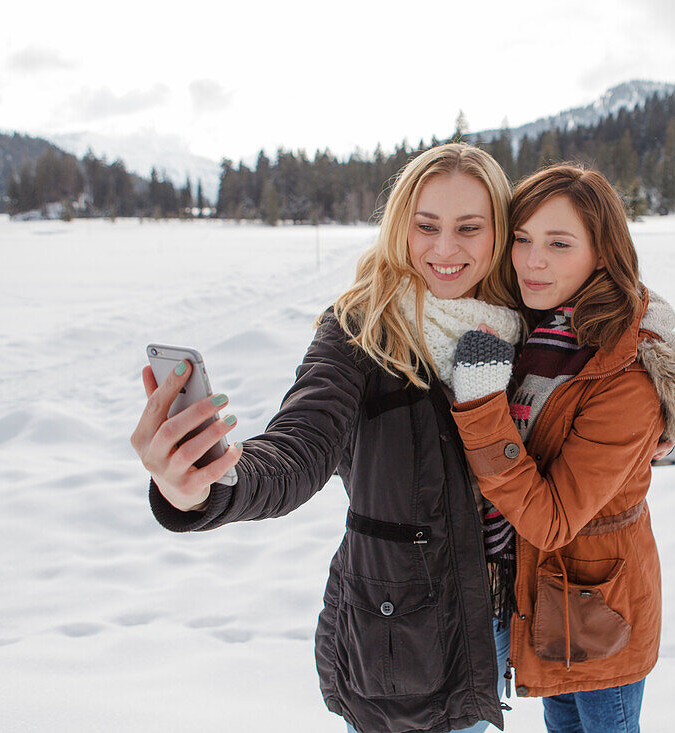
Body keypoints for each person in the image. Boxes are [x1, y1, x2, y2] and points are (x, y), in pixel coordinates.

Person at [130, 142, 525, 733]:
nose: (445, 249)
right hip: (404, 642)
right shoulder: (361, 332)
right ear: (400, 228)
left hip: (502, 631)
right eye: (426, 226)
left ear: (499, 233)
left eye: (469, 227)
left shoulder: (524, 326)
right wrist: (208, 485)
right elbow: (300, 445)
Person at [447, 164, 675, 733]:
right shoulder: (527, 325)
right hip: (544, 595)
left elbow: (551, 517)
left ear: (602, 253)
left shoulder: (626, 374)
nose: (532, 260)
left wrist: (479, 407)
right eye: (521, 239)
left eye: (559, 244)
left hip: (601, 598)